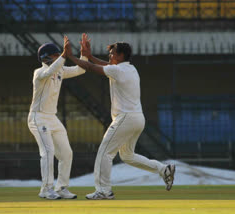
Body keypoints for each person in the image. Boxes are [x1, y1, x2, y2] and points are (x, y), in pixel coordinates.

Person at [65, 34, 176, 200]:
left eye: (113, 53)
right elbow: (106, 66)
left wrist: (71, 56)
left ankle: (104, 191)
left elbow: (90, 68)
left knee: (104, 153)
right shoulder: (129, 68)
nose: (110, 56)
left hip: (126, 118)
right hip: (137, 119)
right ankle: (163, 169)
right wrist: (89, 56)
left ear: (121, 55)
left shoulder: (117, 70)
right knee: (127, 156)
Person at [28, 35, 88, 200]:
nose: (58, 58)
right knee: (48, 152)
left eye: (58, 55)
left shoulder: (60, 70)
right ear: (45, 57)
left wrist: (84, 55)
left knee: (66, 153)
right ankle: (46, 190)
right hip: (37, 117)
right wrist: (63, 56)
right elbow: (50, 71)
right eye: (55, 55)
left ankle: (61, 187)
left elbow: (80, 70)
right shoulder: (39, 72)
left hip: (52, 118)